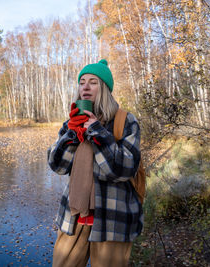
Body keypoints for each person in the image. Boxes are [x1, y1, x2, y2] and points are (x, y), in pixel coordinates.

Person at [47, 59, 143, 267]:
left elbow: (124, 170)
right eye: (82, 82)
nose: (86, 87)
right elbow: (57, 166)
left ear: (105, 89)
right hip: (74, 217)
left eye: (93, 82)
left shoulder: (125, 121)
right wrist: (72, 133)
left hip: (112, 219)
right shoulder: (72, 121)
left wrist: (98, 132)